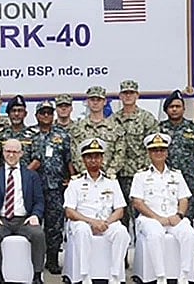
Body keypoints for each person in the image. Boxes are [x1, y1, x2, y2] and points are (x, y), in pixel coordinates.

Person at [130, 133, 194, 284]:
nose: (158, 153)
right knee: (155, 234)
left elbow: (184, 198)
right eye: (155, 150)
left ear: (167, 152)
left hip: (173, 217)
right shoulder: (140, 176)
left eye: (161, 150)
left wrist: (179, 215)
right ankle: (160, 276)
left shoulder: (176, 175)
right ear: (149, 153)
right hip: (150, 218)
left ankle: (185, 275)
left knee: (189, 234)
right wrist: (157, 218)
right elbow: (137, 203)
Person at [63, 138, 130, 284]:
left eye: (97, 156)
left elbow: (120, 210)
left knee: (122, 233)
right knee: (82, 231)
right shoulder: (76, 182)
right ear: (83, 159)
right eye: (89, 157)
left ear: (102, 159)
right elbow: (69, 211)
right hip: (83, 222)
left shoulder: (111, 181)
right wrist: (92, 222)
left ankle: (115, 275)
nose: (93, 160)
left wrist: (105, 223)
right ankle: (85, 275)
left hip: (106, 222)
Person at [0, 139, 46, 284]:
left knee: (38, 234)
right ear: (3, 153)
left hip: (24, 219)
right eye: (8, 151)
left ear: (21, 154)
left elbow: (39, 201)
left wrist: (36, 215)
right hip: (2, 219)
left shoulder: (31, 176)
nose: (11, 155)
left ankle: (37, 276)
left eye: (15, 152)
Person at [112, 80, 159, 236]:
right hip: (119, 175)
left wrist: (146, 171)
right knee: (120, 219)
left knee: (142, 219)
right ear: (120, 96)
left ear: (137, 95)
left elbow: (154, 147)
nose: (128, 96)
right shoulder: (113, 120)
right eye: (125, 93)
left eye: (131, 93)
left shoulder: (147, 118)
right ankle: (122, 259)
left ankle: (142, 258)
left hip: (140, 176)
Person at [32, 100, 71, 274]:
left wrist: (72, 178)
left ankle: (53, 259)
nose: (46, 115)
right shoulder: (30, 135)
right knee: (34, 224)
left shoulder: (62, 135)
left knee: (54, 226)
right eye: (43, 112)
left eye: (49, 112)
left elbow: (69, 159)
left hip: (56, 187)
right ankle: (35, 259)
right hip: (33, 188)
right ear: (37, 115)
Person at [159, 90, 194, 221]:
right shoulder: (159, 129)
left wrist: (187, 164)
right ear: (166, 110)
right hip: (164, 178)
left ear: (184, 109)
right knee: (164, 210)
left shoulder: (193, 128)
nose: (174, 109)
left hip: (187, 177)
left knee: (187, 214)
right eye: (171, 107)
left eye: (178, 106)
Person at [68, 86, 126, 176]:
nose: (95, 103)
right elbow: (75, 154)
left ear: (105, 102)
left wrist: (109, 172)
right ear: (87, 102)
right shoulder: (78, 128)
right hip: (85, 177)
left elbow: (120, 153)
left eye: (98, 100)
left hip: (109, 177)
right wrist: (86, 172)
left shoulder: (115, 128)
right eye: (92, 100)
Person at [0, 95, 41, 170]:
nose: (16, 114)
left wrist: (23, 175)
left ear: (25, 114)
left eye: (20, 111)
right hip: (4, 178)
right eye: (13, 111)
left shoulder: (34, 135)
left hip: (27, 178)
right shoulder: (0, 134)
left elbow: (37, 160)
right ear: (8, 114)